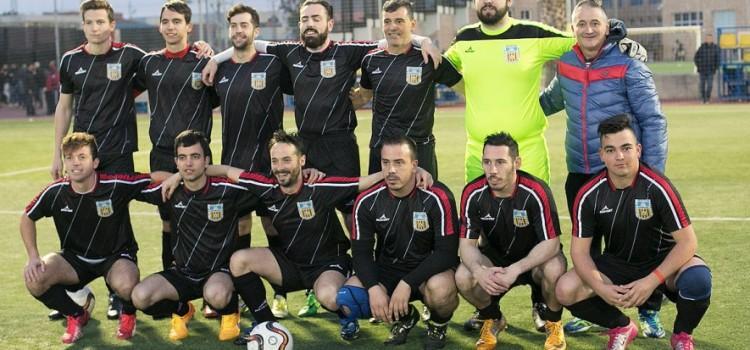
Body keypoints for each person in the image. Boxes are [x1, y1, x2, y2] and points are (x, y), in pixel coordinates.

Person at [203, 1, 440, 224]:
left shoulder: (348, 52)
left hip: (340, 145)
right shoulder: (289, 51)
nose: (309, 23)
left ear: (330, 24)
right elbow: (255, 44)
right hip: (306, 146)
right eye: (305, 19)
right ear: (299, 25)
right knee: (307, 209)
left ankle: (357, 263)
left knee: (351, 210)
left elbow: (388, 40)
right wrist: (215, 58)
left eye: (316, 18)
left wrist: (424, 40)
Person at [178, 130, 415, 345]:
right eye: (275, 161)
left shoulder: (320, 187)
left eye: (287, 160)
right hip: (290, 264)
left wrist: (415, 170)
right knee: (240, 260)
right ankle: (266, 324)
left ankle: (359, 316)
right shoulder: (267, 187)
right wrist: (179, 177)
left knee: (330, 297)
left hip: (327, 265)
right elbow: (227, 171)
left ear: (301, 161)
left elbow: (361, 183)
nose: (280, 167)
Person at [538, 0, 668, 337]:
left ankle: (649, 309)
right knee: (589, 250)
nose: (588, 29)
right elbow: (550, 100)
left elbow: (652, 121)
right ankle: (597, 310)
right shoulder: (565, 63)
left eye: (595, 23)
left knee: (638, 248)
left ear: (607, 26)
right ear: (573, 28)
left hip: (622, 174)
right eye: (581, 23)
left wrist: (651, 176)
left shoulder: (629, 63)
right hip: (580, 172)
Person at [444, 0, 644, 184]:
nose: (487, 1)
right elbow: (439, 66)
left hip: (528, 153)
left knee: (534, 220)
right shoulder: (464, 39)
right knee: (480, 221)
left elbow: (584, 41)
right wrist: (423, 43)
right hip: (478, 155)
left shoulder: (533, 34)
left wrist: (617, 39)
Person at [555, 115, 712, 350]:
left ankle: (681, 336)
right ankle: (621, 326)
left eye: (626, 148)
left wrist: (651, 282)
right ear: (602, 155)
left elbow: (688, 243)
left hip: (662, 263)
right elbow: (579, 252)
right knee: (565, 289)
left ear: (638, 150)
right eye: (611, 150)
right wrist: (601, 288)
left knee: (698, 279)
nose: (619, 156)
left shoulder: (658, 187)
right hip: (618, 263)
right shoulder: (589, 194)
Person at [50, 0, 147, 322]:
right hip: (81, 154)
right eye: (89, 22)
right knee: (78, 216)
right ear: (83, 26)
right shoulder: (70, 60)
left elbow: (162, 69)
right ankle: (78, 290)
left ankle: (117, 294)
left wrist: (202, 49)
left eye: (100, 22)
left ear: (111, 24)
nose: (95, 27)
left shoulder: (130, 55)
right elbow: (64, 108)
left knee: (115, 218)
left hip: (118, 150)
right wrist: (56, 154)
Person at [21, 132, 168, 343]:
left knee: (126, 284)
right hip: (75, 260)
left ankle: (128, 313)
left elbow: (152, 177)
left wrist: (178, 176)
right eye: (69, 158)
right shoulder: (56, 191)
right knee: (35, 279)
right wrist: (33, 255)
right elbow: (27, 217)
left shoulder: (115, 183)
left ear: (95, 162)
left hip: (115, 257)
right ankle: (76, 314)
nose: (75, 163)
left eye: (82, 157)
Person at [212, 3, 304, 319]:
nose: (239, 31)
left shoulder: (272, 64)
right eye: (234, 26)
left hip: (270, 169)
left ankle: (281, 294)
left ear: (256, 30)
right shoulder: (219, 70)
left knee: (274, 225)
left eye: (244, 25)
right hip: (233, 166)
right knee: (238, 228)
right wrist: (213, 58)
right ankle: (240, 294)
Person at [131, 130, 260, 342]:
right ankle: (182, 310)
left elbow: (256, 181)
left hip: (218, 273)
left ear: (206, 160)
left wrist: (225, 169)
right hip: (182, 273)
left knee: (216, 295)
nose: (188, 163)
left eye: (195, 157)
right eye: (182, 158)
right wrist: (175, 176)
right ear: (175, 161)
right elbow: (135, 182)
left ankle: (230, 312)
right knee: (140, 297)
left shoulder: (227, 190)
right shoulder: (171, 191)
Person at [336, 135, 458, 349]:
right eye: (386, 163)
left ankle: (438, 325)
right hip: (389, 270)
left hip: (428, 270)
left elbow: (446, 253)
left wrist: (407, 283)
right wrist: (374, 288)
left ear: (414, 165)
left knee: (441, 290)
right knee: (348, 299)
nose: (391, 170)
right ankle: (405, 317)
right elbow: (361, 253)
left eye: (399, 162)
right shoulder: (366, 201)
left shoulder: (437, 196)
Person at [136, 1, 217, 309]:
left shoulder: (204, 61)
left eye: (176, 21)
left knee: (204, 221)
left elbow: (218, 97)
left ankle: (212, 290)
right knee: (169, 222)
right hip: (162, 156)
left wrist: (210, 53)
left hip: (197, 156)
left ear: (188, 27)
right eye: (165, 21)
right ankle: (176, 292)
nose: (170, 26)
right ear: (160, 27)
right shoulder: (148, 63)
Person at [455, 132, 567, 350]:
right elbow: (466, 245)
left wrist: (516, 268)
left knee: (555, 268)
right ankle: (493, 318)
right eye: (487, 162)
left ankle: (553, 323)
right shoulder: (473, 193)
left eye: (500, 162)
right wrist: (479, 272)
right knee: (463, 276)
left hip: (533, 259)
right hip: (495, 259)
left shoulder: (535, 191)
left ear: (516, 163)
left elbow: (551, 243)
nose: (492, 170)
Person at [351, 0, 462, 180]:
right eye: (387, 21)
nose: (392, 27)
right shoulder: (370, 61)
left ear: (412, 24)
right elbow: (363, 96)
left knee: (425, 205)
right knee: (379, 206)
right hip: (382, 149)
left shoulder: (429, 58)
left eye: (399, 21)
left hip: (420, 150)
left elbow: (464, 87)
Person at [694, 33, 721, 104]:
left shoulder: (716, 48)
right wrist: (699, 66)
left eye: (710, 38)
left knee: (709, 85)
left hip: (711, 70)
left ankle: (707, 99)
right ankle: (703, 99)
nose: (708, 40)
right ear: (705, 39)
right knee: (702, 86)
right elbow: (696, 57)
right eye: (707, 38)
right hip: (702, 70)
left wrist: (716, 67)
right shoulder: (702, 47)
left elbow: (718, 59)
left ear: (712, 39)